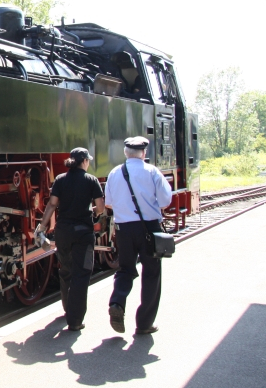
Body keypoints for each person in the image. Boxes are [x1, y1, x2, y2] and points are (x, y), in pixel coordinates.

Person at [104, 136, 172, 335]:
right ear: (144, 153)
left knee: (125, 269)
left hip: (123, 229)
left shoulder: (115, 173)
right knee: (151, 272)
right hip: (149, 227)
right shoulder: (152, 171)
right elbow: (165, 200)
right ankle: (144, 323)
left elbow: (108, 202)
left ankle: (117, 302)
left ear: (126, 153)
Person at [35, 147, 105, 331]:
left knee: (66, 271)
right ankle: (75, 320)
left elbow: (52, 205)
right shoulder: (91, 180)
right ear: (84, 161)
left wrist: (42, 227)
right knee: (81, 274)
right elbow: (100, 207)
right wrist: (94, 212)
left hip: (63, 232)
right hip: (83, 233)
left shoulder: (60, 179)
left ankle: (67, 309)